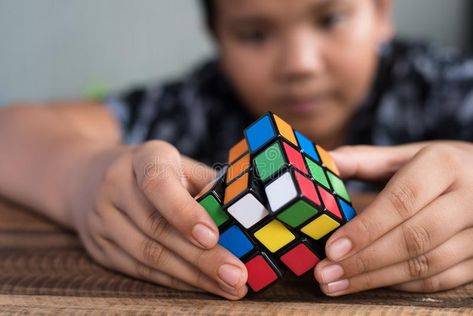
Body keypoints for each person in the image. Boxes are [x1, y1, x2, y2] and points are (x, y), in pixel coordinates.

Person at [2, 0, 473, 300]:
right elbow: (10, 131)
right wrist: (81, 177)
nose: (300, 65)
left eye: (330, 18)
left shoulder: (440, 86)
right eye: (254, 34)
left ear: (382, 13)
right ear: (218, 40)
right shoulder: (198, 103)